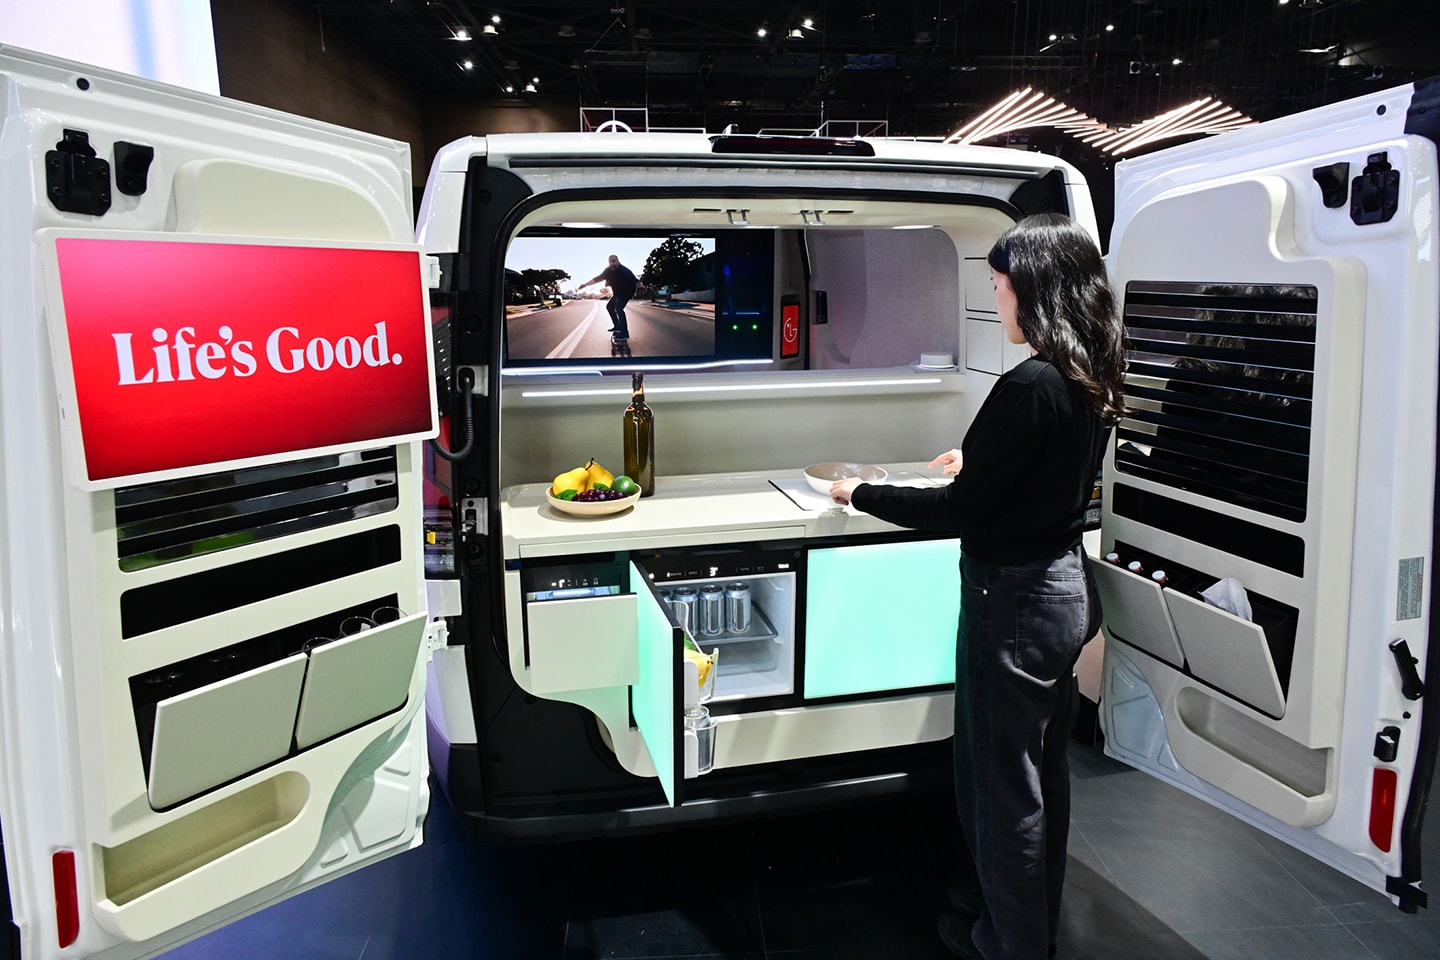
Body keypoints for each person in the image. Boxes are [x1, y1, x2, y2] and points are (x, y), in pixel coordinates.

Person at [830, 212, 1127, 960]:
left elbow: (960, 514)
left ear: (1032, 289)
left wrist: (858, 493)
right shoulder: (1085, 371)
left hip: (1016, 604)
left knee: (999, 793)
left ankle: (1010, 944)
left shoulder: (1030, 382)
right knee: (1040, 780)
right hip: (1063, 594)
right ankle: (1016, 919)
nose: (996, 300)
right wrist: (980, 464)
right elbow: (1039, 476)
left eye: (999, 286)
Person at [578, 254, 641, 340]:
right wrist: (585, 284)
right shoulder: (607, 271)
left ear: (618, 261)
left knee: (619, 308)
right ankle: (617, 326)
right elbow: (597, 279)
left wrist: (640, 286)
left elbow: (636, 280)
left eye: (614, 261)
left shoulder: (624, 271)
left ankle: (625, 333)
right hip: (617, 293)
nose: (612, 264)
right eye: (610, 262)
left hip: (627, 292)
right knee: (610, 307)